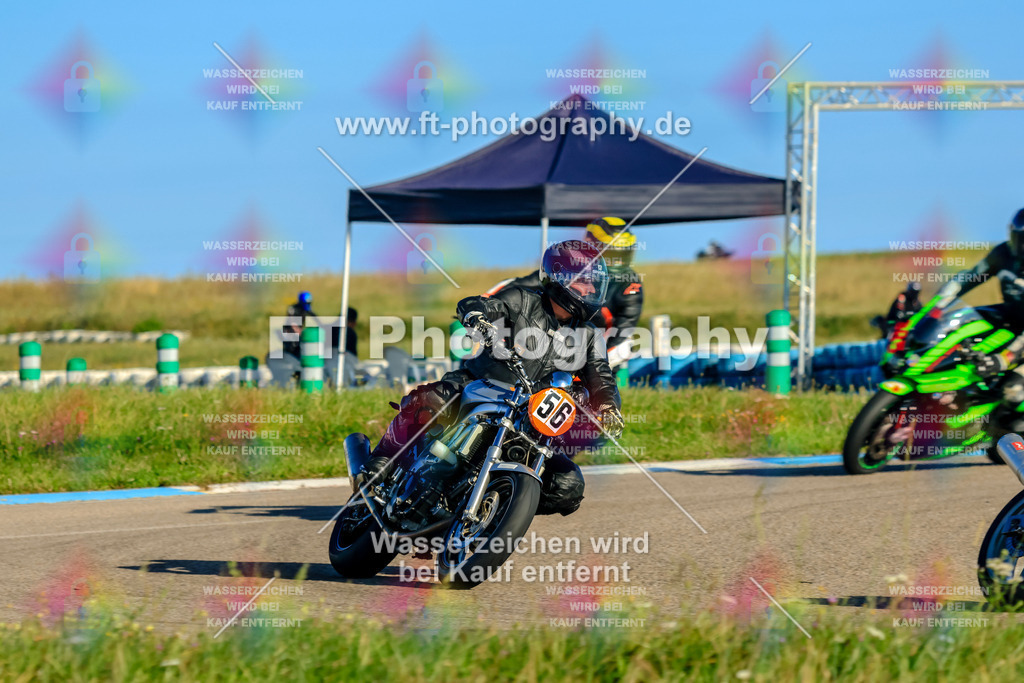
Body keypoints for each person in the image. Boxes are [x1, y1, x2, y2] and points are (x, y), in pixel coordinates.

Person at [362, 241, 625, 516]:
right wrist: (478, 315)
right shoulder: (522, 300)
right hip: (480, 384)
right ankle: (382, 459)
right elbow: (484, 305)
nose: (593, 289)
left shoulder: (589, 335)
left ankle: (496, 512)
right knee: (431, 400)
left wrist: (608, 407)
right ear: (560, 276)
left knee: (566, 485)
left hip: (529, 413)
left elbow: (602, 378)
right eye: (586, 282)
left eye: (596, 284)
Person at [485, 217, 643, 370]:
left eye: (623, 255)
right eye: (613, 254)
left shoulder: (630, 283)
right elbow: (518, 284)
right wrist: (485, 301)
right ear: (591, 245)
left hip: (595, 343)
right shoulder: (569, 267)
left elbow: (625, 328)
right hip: (552, 339)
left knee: (624, 346)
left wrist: (595, 360)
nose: (617, 262)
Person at [931, 209, 1024, 410]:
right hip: (1010, 316)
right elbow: (970, 277)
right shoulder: (1003, 254)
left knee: (1013, 392)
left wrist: (1004, 358)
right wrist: (938, 304)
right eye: (1020, 238)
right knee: (962, 321)